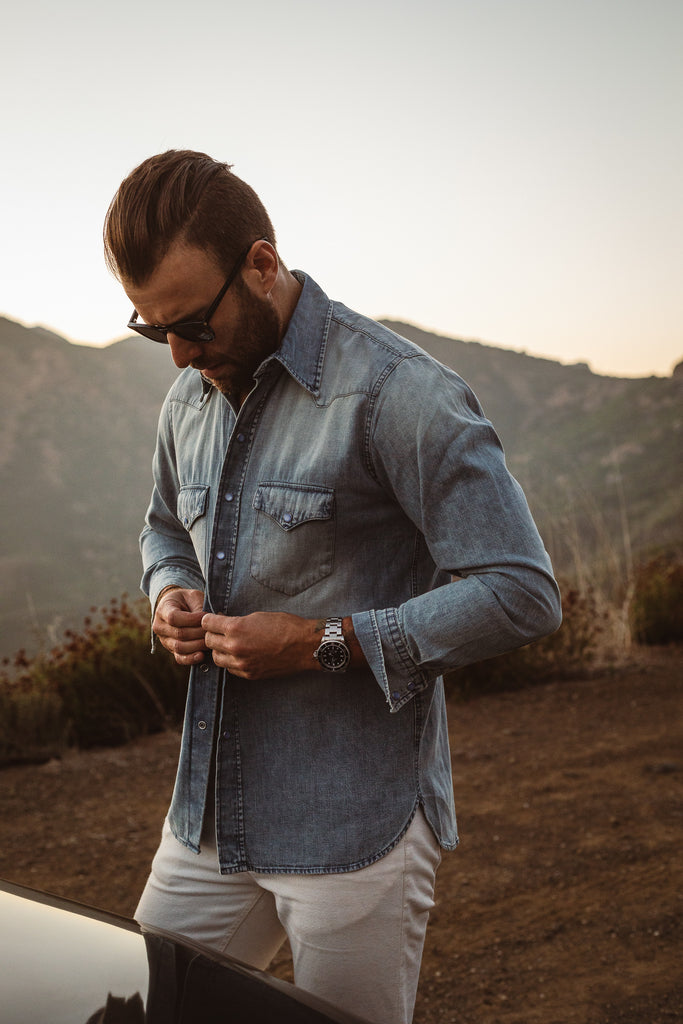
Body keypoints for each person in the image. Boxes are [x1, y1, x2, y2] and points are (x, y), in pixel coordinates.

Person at [103, 150, 562, 1024]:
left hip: (356, 831)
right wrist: (169, 593)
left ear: (262, 265)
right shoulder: (189, 396)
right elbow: (164, 528)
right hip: (207, 818)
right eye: (149, 327)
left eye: (192, 323)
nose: (174, 355)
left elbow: (520, 590)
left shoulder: (399, 392)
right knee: (147, 1010)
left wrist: (321, 642)